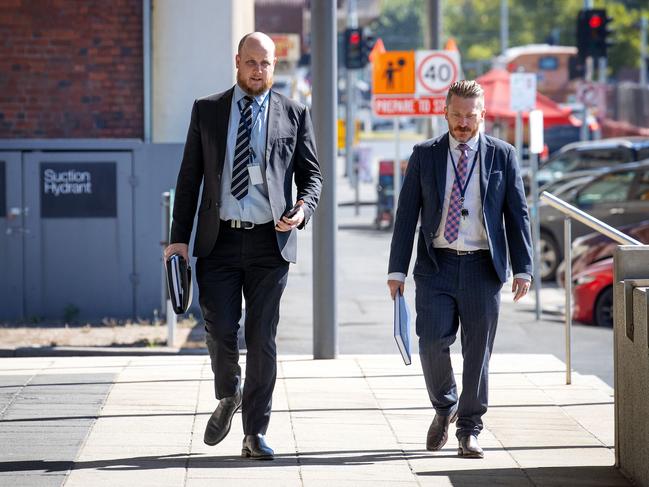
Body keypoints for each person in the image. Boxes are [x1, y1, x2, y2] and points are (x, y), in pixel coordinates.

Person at [164, 32, 322, 460]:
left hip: (272, 243)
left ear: (275, 66)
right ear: (237, 61)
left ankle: (255, 431)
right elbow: (189, 177)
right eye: (251, 62)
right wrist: (178, 239)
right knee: (219, 330)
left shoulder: (294, 113)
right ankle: (229, 392)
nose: (258, 70)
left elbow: (313, 177)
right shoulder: (208, 110)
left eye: (266, 64)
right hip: (219, 240)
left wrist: (303, 209)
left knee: (262, 337)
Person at [387, 80, 532, 458]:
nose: (464, 123)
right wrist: (397, 271)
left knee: (477, 352)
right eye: (457, 115)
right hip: (436, 264)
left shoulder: (503, 155)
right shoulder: (425, 154)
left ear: (483, 115)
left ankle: (469, 429)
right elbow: (406, 216)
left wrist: (524, 267)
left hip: (483, 267)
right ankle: (445, 404)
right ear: (445, 113)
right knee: (431, 341)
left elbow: (517, 214)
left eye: (471, 116)